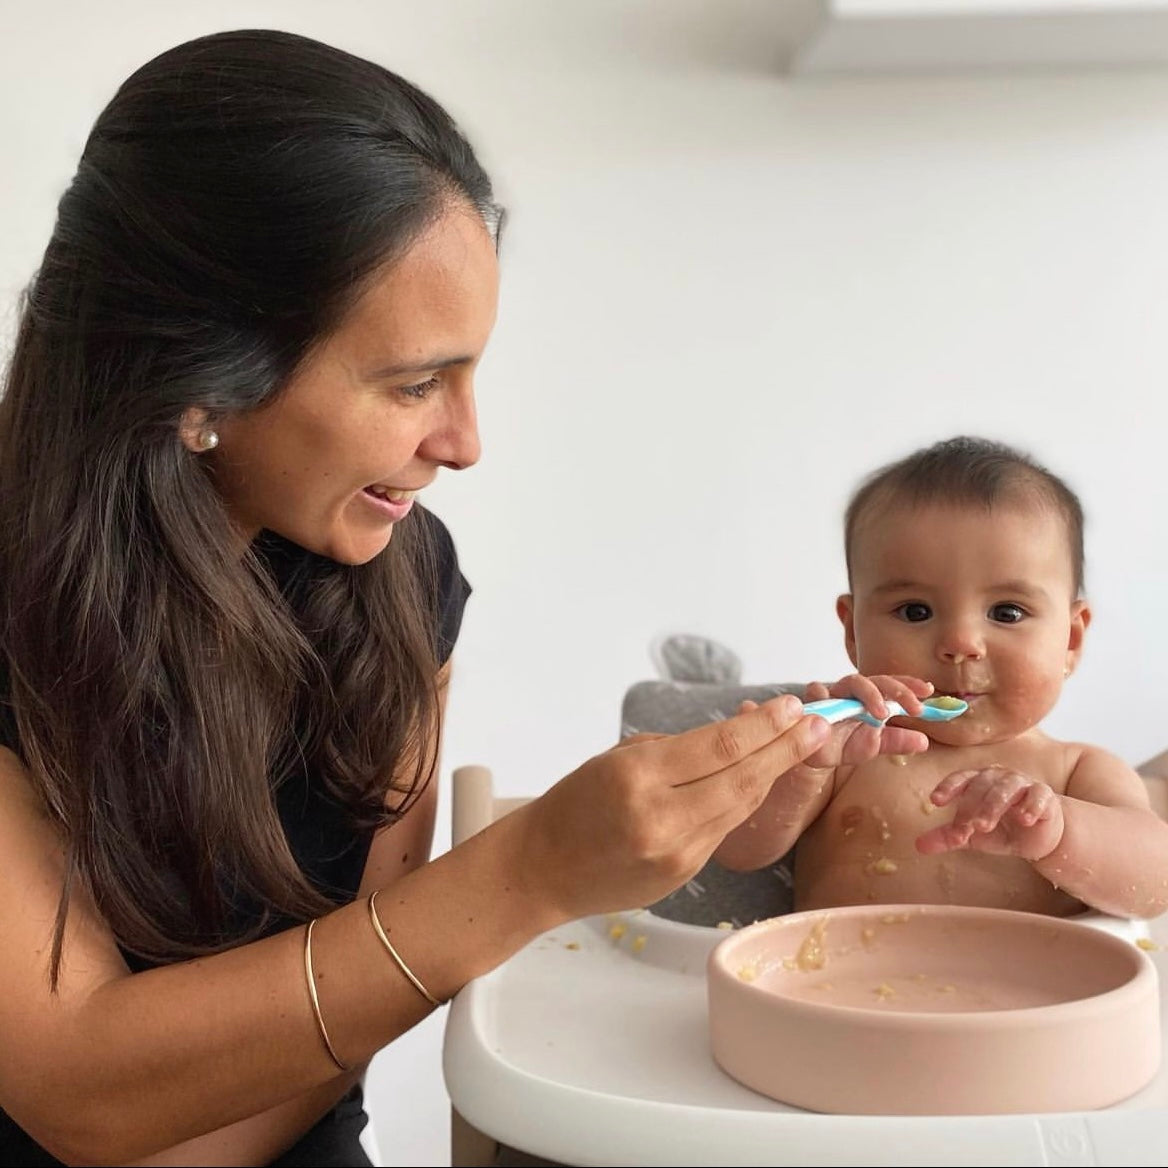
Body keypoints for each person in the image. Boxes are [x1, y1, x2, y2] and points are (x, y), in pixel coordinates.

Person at [0, 29, 925, 1167]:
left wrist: (683, 850)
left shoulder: (398, 579)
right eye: (412, 382)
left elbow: (364, 978)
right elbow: (76, 1085)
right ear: (198, 372)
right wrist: (532, 870)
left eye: (471, 371)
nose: (465, 442)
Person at [714, 436, 1168, 921]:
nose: (960, 643)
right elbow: (738, 851)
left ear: (1071, 641)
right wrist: (801, 766)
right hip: (839, 990)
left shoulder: (1078, 771)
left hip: (1032, 995)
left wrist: (1060, 832)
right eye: (915, 611)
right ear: (853, 631)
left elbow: (1154, 887)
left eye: (1007, 612)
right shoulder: (846, 754)